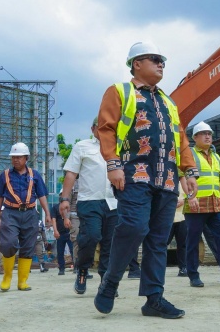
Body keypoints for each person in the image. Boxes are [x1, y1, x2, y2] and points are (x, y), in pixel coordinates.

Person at [95, 41, 199, 319]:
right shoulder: (119, 91)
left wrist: (188, 171)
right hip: (134, 174)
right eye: (154, 59)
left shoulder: (168, 101)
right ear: (136, 63)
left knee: (157, 240)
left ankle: (154, 298)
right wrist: (113, 163)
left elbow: (181, 139)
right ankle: (111, 280)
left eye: (162, 59)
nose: (161, 63)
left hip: (166, 179)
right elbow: (105, 128)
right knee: (133, 226)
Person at [59, 118, 139, 295]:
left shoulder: (120, 148)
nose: (104, 130)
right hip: (89, 201)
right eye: (100, 127)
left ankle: (106, 281)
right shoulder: (82, 147)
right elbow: (71, 173)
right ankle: (82, 269)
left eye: (108, 128)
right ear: (93, 128)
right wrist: (64, 198)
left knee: (110, 244)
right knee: (91, 236)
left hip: (113, 202)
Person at [0, 142, 52, 292]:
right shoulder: (5, 175)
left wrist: (48, 215)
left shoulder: (35, 175)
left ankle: (22, 282)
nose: (16, 160)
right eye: (13, 157)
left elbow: (42, 195)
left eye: (19, 157)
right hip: (10, 213)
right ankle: (7, 277)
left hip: (30, 213)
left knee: (28, 246)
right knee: (9, 243)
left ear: (26, 158)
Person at [183, 121, 220, 288]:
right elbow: (182, 177)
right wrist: (190, 196)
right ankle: (193, 275)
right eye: (203, 133)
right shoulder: (189, 154)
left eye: (209, 134)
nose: (207, 136)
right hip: (196, 203)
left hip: (215, 202)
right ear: (195, 137)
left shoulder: (216, 156)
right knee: (193, 239)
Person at [167, 180, 187, 277]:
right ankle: (156, 268)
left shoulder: (184, 179)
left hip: (183, 216)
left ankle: (183, 267)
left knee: (183, 244)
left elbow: (192, 192)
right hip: (166, 216)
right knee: (161, 243)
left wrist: (184, 200)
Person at [50, 202, 72, 275]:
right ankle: (61, 268)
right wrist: (55, 231)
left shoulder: (70, 207)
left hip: (70, 232)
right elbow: (53, 220)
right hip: (60, 233)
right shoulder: (55, 208)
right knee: (60, 252)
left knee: (73, 250)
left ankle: (77, 267)